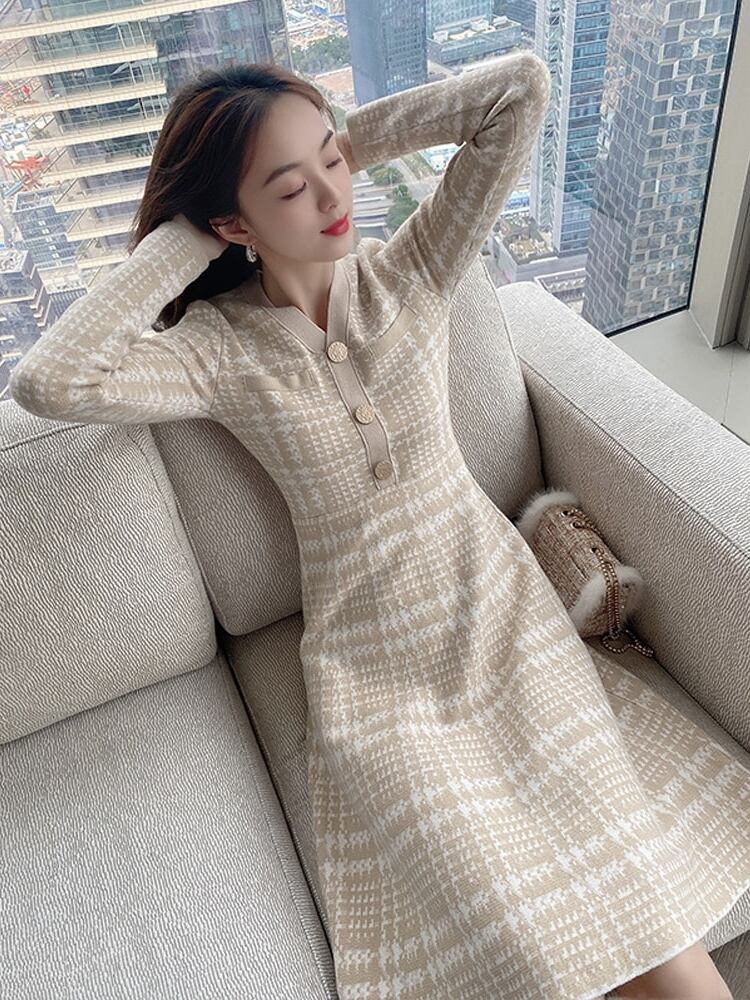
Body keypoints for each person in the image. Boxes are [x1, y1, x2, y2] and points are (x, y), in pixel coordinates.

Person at [9, 56, 745, 1000]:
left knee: (642, 914)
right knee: (523, 936)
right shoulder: (217, 353)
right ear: (232, 224)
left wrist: (347, 141)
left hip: (500, 613)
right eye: (290, 187)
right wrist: (185, 240)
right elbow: (51, 382)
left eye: (333, 163)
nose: (331, 196)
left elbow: (519, 91)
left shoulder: (413, 268)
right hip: (373, 669)